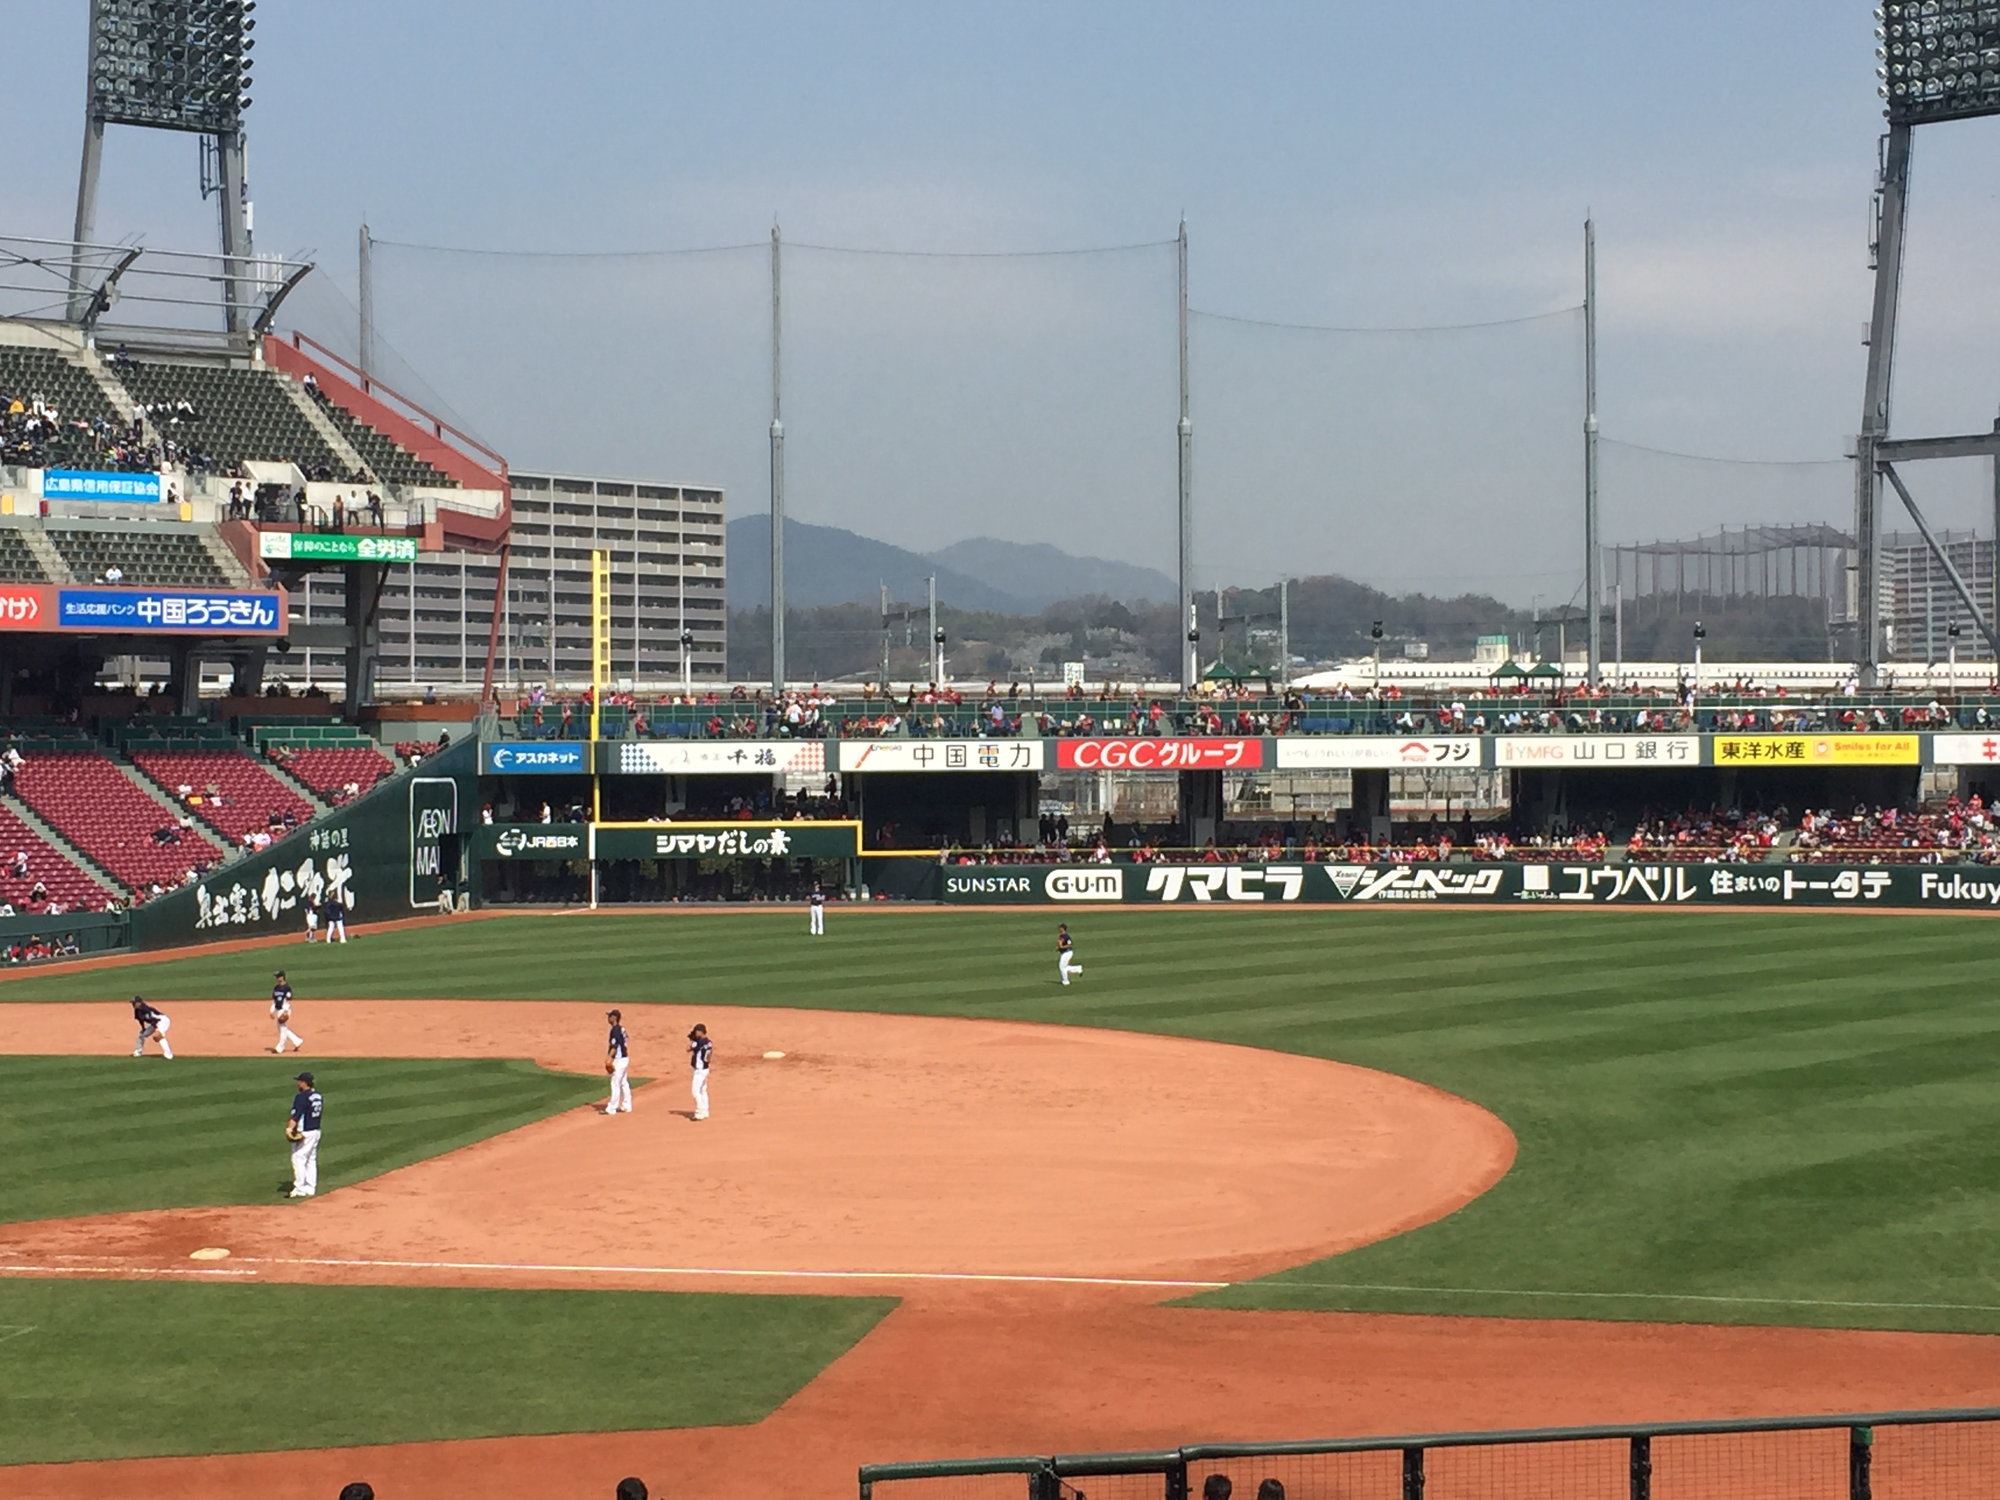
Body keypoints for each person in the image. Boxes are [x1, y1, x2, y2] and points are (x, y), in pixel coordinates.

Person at [286, 1071, 323, 1198]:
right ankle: (310, 1187)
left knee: (298, 1157)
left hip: (306, 1132)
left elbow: (296, 1115)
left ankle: (300, 1188)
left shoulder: (301, 1096)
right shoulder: (317, 1095)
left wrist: (289, 1129)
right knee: (310, 1158)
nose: (297, 1083)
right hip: (316, 1130)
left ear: (303, 1083)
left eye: (299, 1081)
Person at [603, 1008, 632, 1115]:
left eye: (609, 1016)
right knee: (623, 1082)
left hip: (619, 1060)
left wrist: (608, 1059)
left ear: (614, 1018)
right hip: (625, 1058)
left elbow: (614, 1046)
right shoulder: (622, 1028)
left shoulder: (615, 1030)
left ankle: (612, 1108)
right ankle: (626, 1105)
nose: (608, 1018)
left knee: (615, 1083)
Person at [270, 969, 304, 1055]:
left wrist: (285, 1011)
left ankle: (279, 1048)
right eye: (276, 977)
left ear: (282, 977)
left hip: (284, 1010)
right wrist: (271, 1011)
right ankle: (297, 1041)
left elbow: (288, 1001)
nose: (277, 978)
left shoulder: (287, 988)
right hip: (278, 1010)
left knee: (283, 1029)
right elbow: (274, 1001)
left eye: (278, 976)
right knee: (282, 1029)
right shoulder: (276, 988)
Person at [687, 1023, 711, 1121]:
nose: (695, 1033)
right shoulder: (709, 1042)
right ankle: (705, 1111)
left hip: (699, 1070)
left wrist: (693, 1041)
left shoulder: (698, 1043)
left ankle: (699, 1113)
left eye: (697, 1031)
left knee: (695, 1091)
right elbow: (709, 1055)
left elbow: (688, 1049)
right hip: (705, 1069)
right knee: (703, 1090)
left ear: (701, 1032)